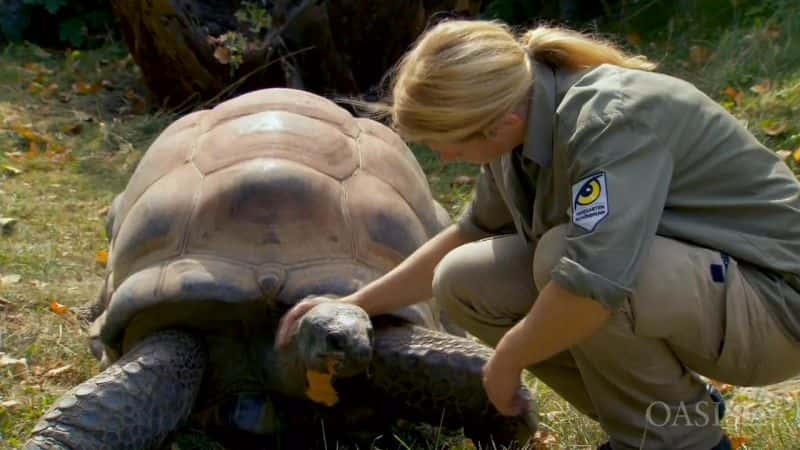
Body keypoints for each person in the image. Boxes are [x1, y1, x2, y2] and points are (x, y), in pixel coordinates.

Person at [276, 20, 800, 450]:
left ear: (498, 122)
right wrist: (357, 304)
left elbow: (592, 284)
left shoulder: (610, 121)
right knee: (464, 279)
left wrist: (508, 358)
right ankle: (660, 419)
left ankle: (675, 441)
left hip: (778, 308)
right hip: (709, 296)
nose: (444, 157)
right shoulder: (518, 131)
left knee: (564, 261)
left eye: (445, 142)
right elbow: (466, 236)